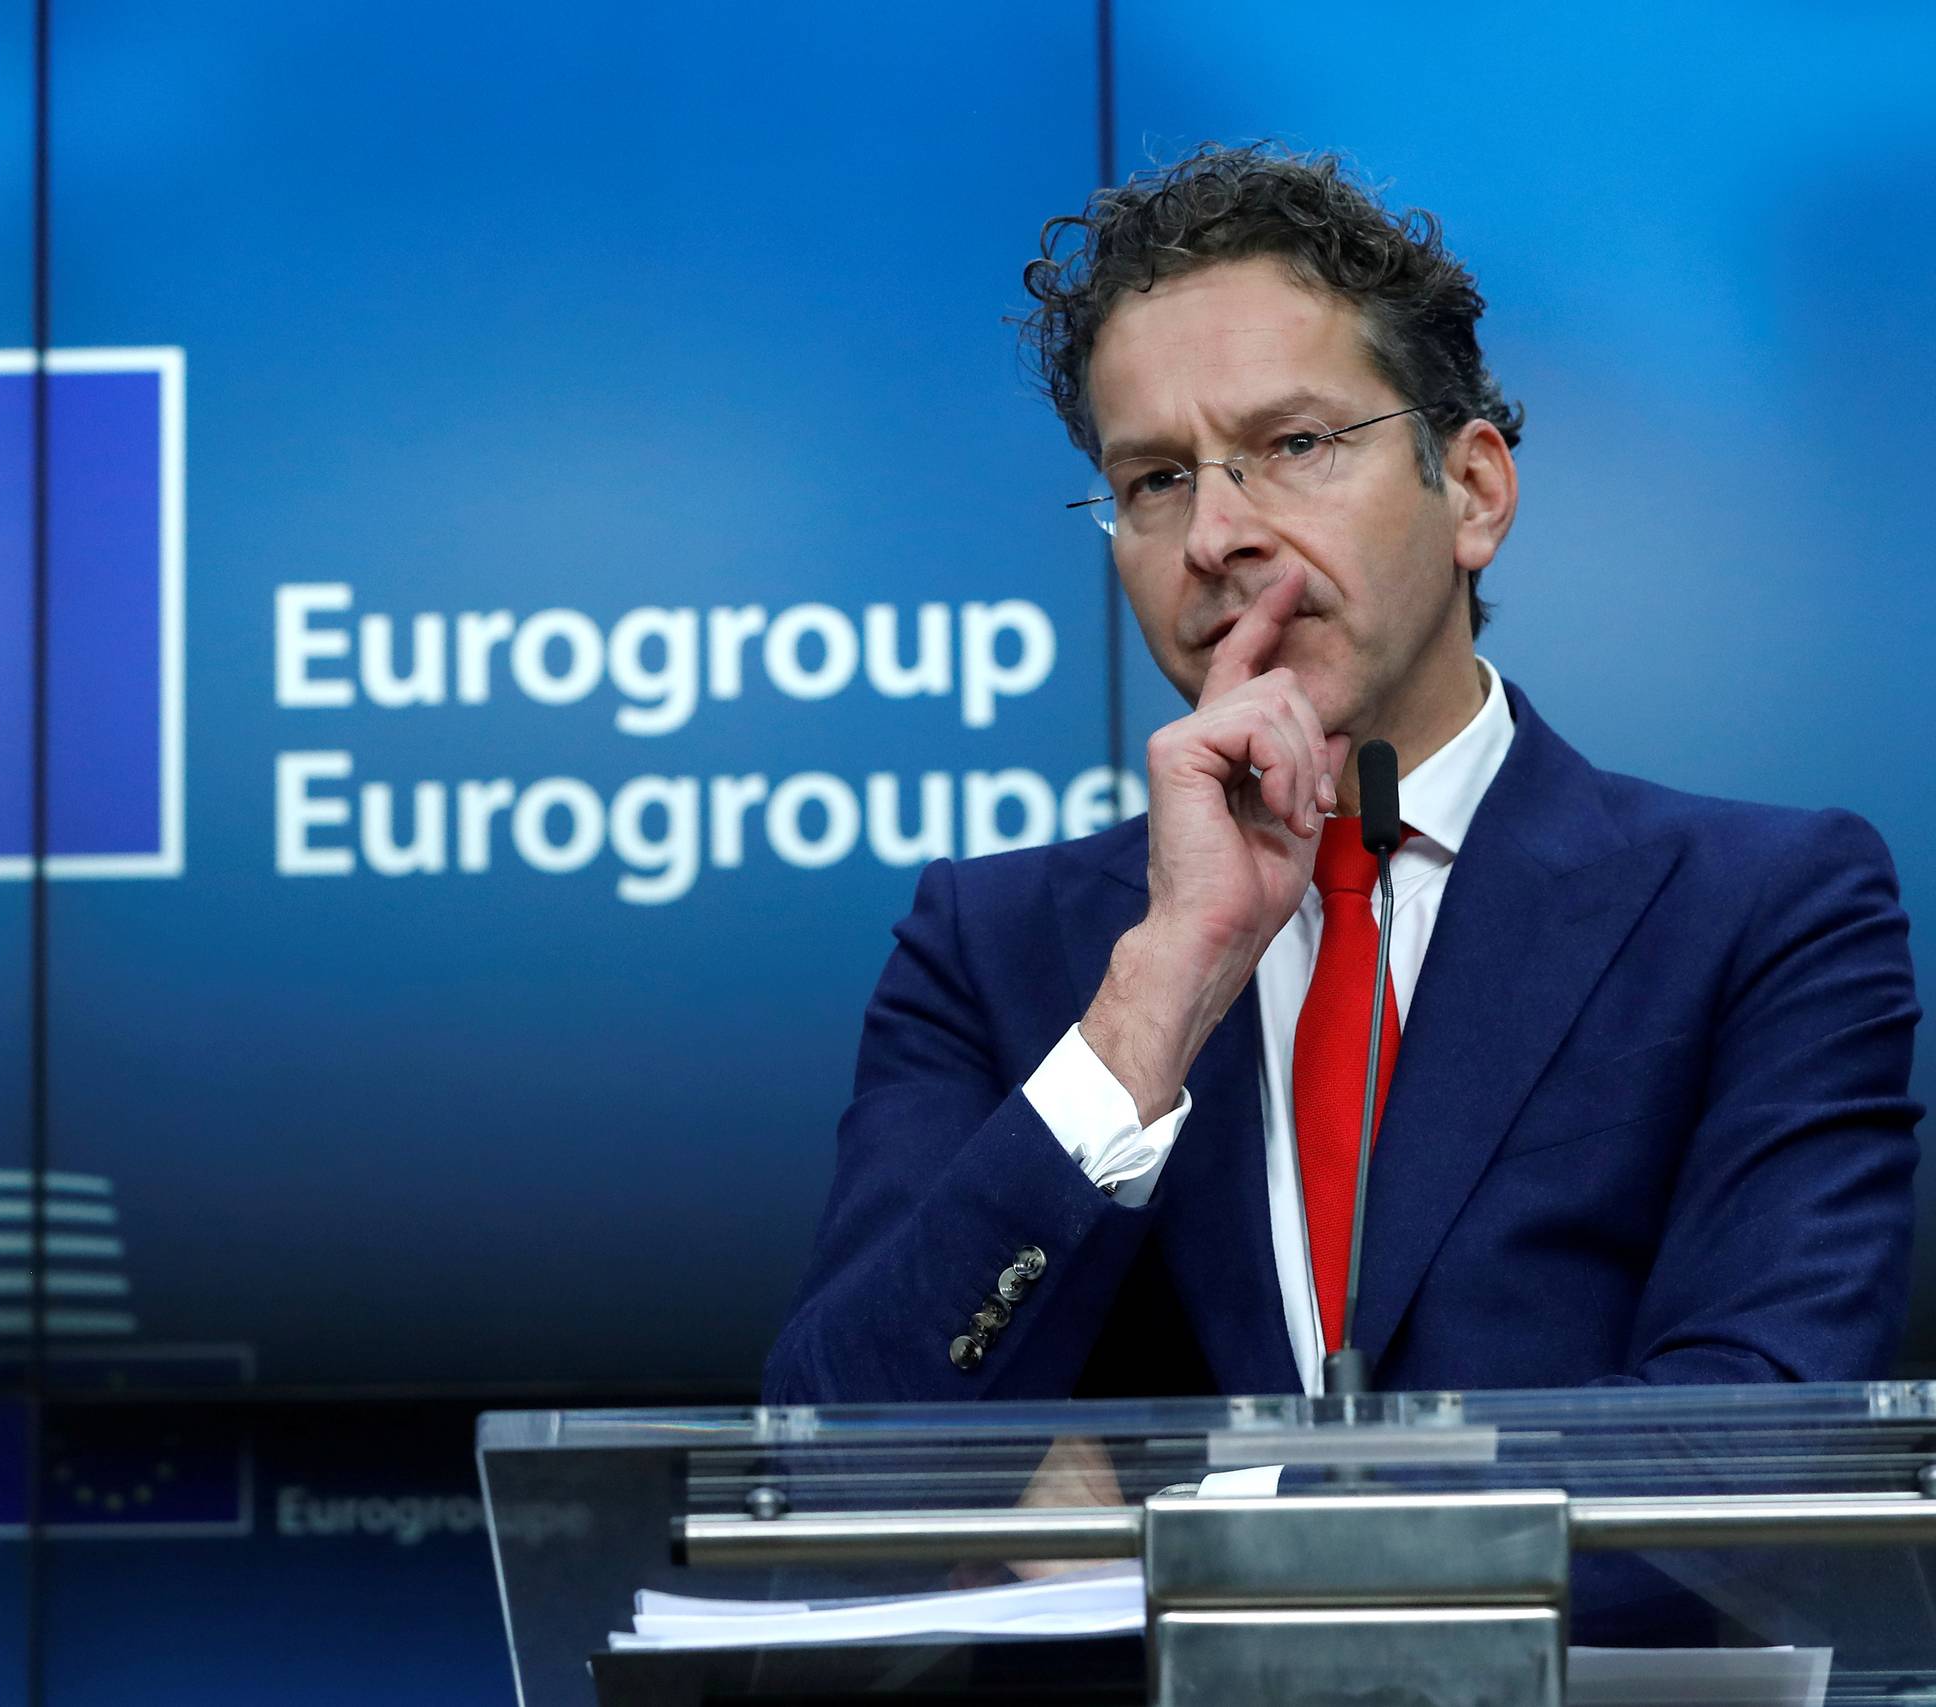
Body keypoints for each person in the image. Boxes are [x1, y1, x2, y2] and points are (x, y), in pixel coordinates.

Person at [764, 144, 1921, 1405]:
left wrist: (1215, 1514)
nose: (1217, 536)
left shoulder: (1762, 909)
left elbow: (1754, 1438)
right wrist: (1160, 990)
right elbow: (835, 1444)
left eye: (1296, 442)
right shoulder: (988, 950)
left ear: (1472, 490)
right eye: (1154, 481)